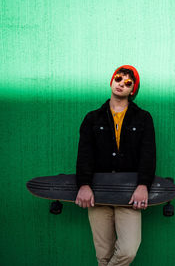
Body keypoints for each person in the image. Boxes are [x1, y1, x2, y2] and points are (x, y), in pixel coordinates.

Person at [75, 65, 156, 266]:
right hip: (97, 192)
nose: (121, 83)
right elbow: (85, 153)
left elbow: (148, 154)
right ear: (112, 81)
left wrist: (143, 185)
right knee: (103, 255)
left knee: (128, 250)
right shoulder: (92, 118)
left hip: (130, 193)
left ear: (133, 90)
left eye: (128, 82)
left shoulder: (143, 118)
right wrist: (84, 185)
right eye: (119, 78)